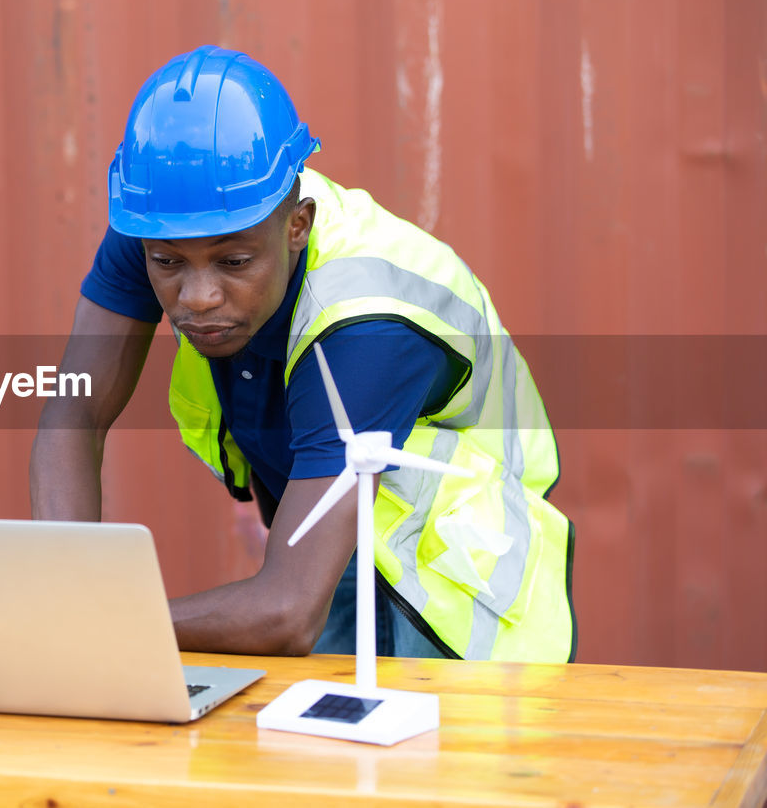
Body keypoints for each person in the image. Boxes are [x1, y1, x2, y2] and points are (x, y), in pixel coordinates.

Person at [30, 45, 576, 661]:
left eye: (234, 264)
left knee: (405, 754)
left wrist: (89, 623)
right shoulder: (169, 225)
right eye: (169, 265)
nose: (199, 297)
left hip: (452, 581)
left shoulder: (367, 329)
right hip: (322, 530)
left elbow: (285, 614)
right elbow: (74, 410)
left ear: (298, 225)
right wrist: (66, 585)